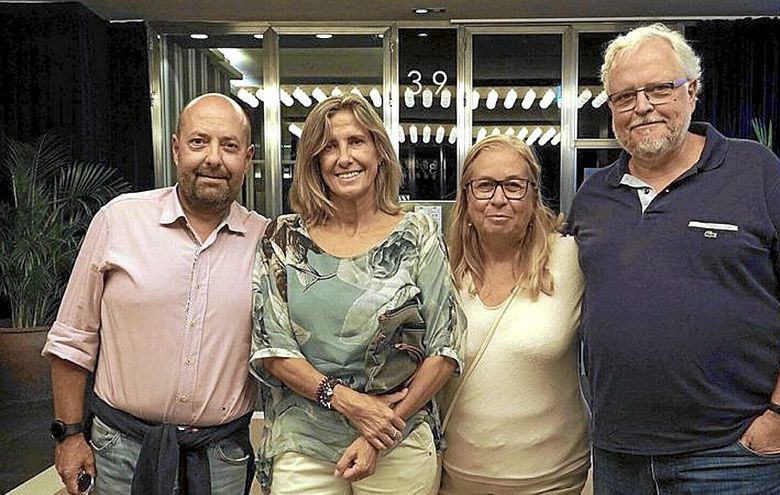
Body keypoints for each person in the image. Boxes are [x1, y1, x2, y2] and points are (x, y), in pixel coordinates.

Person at [569, 23, 780, 494]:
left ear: (693, 91)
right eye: (625, 96)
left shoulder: (754, 171)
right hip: (620, 453)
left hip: (735, 454)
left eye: (659, 88)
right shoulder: (593, 197)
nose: (643, 106)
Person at [42, 93, 267, 494]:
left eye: (229, 146)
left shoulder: (266, 242)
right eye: (199, 142)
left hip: (221, 460)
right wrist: (69, 435)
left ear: (247, 158)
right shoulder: (119, 220)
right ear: (177, 149)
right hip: (119, 451)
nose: (214, 158)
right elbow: (72, 339)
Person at [250, 94, 464, 494]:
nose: (344, 157)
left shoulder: (417, 235)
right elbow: (273, 351)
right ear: (314, 162)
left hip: (397, 438)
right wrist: (352, 403)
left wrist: (376, 430)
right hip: (304, 444)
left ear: (379, 152)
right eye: (329, 146)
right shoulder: (283, 238)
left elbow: (446, 348)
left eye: (356, 142)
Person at [440, 134, 590, 494]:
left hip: (555, 479)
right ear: (466, 197)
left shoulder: (572, 260)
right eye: (485, 186)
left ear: (534, 195)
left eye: (513, 186)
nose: (498, 199)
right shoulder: (441, 269)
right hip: (458, 477)